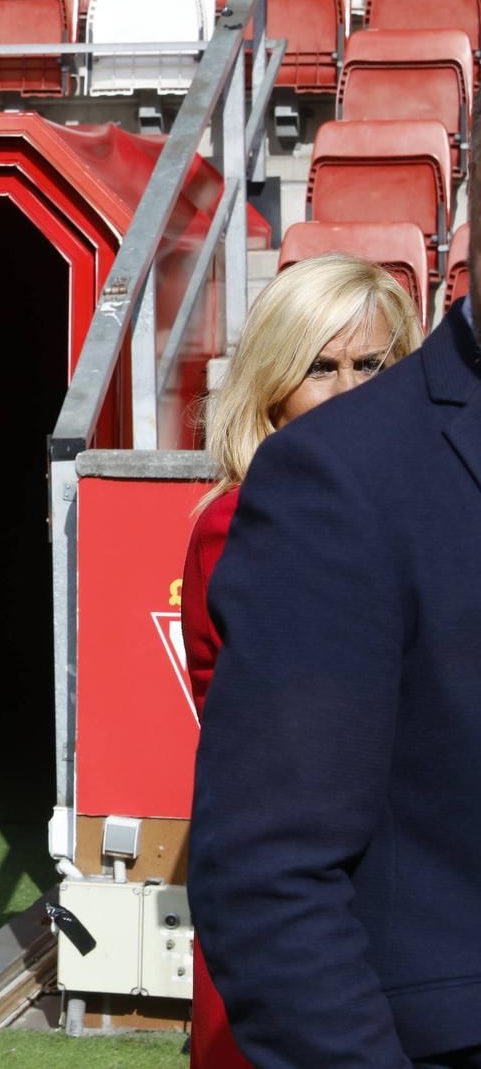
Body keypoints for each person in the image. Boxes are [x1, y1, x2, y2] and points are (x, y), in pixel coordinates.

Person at [190, 211, 481, 1066]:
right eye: (322, 367)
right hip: (348, 953)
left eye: (375, 364)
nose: (352, 387)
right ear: (272, 383)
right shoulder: (267, 513)